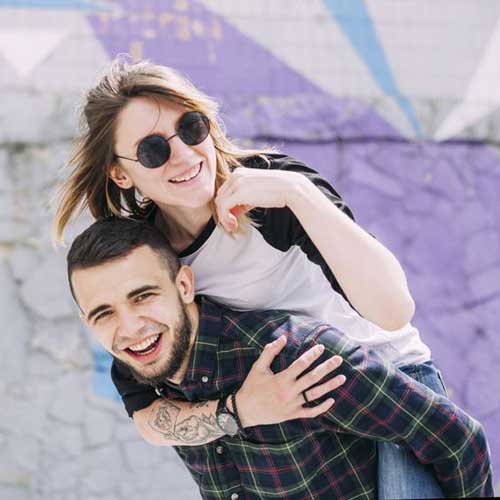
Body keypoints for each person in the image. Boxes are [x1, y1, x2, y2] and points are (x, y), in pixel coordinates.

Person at [55, 56, 446, 498]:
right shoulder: (146, 258)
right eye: (153, 150)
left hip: (390, 387)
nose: (183, 156)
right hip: (302, 422)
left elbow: (394, 310)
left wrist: (296, 193)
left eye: (191, 128)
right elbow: (146, 413)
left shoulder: (272, 193)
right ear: (120, 173)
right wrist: (240, 410)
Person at [67, 217, 493, 500]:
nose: (130, 327)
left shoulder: (291, 356)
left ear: (183, 286)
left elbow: (458, 440)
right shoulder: (149, 371)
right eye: (104, 314)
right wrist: (239, 411)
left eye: (143, 296)